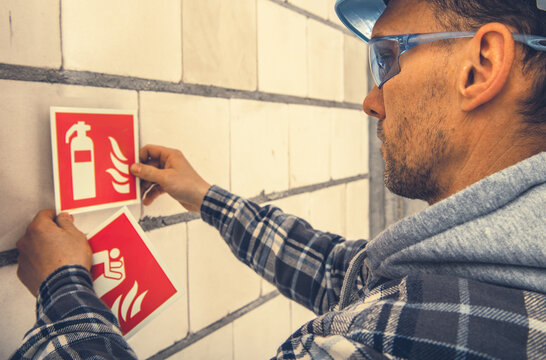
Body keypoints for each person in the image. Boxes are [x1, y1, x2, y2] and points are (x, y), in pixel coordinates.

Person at [11, 0, 546, 358]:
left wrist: (62, 290)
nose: (371, 101)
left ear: (481, 64)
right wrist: (203, 197)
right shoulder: (494, 275)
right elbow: (347, 276)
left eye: (387, 59)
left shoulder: (389, 341)